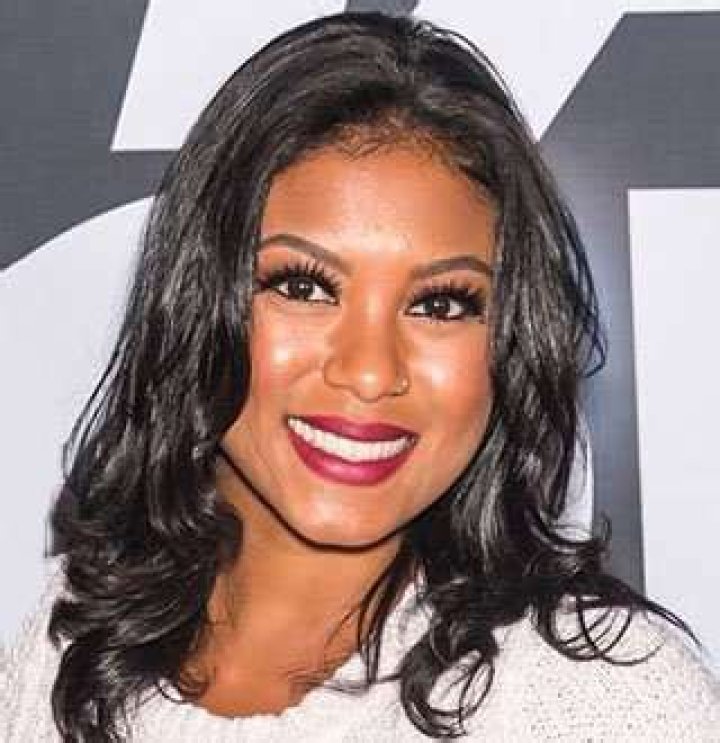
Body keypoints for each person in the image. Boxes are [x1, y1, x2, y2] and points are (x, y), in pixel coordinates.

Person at [1, 11, 718, 742]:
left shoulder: (606, 703)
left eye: (441, 304)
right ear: (198, 300)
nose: (370, 371)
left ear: (510, 342)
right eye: (304, 287)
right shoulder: (72, 643)